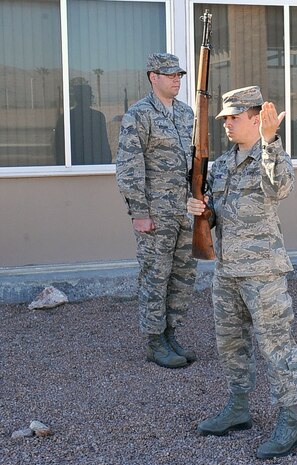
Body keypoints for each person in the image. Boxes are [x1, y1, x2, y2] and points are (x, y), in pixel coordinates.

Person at [187, 86, 297, 459]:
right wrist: (200, 210)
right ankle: (239, 409)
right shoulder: (221, 165)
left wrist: (271, 142)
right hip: (227, 270)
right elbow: (216, 214)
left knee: (276, 346)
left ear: (256, 119)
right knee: (231, 345)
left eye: (234, 117)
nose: (226, 124)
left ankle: (291, 420)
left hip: (263, 272)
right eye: (224, 118)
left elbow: (282, 187)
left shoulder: (271, 156)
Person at [116, 53, 197, 369]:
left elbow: (195, 164)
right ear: (153, 77)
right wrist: (139, 211)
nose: (176, 79)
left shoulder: (186, 114)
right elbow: (129, 165)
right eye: (170, 75)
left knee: (182, 275)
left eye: (179, 75)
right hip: (155, 212)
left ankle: (170, 333)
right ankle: (154, 342)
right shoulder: (139, 115)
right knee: (155, 276)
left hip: (185, 210)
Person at [54, 83, 112, 165]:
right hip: (84, 165)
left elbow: (58, 147)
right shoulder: (97, 116)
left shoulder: (66, 117)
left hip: (89, 165)